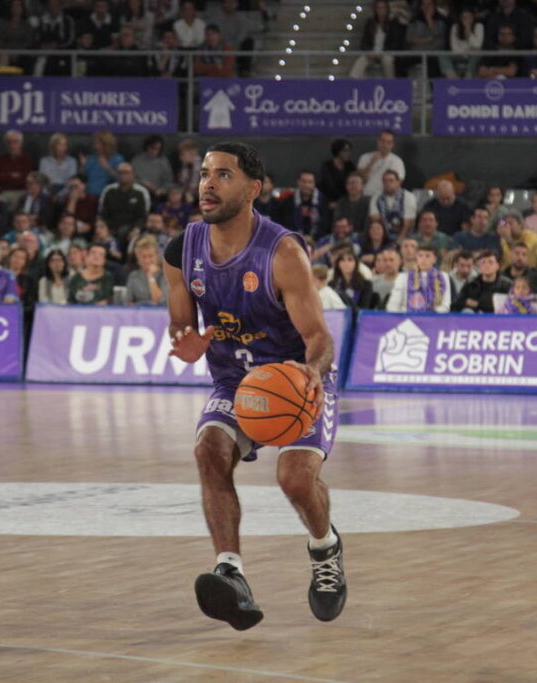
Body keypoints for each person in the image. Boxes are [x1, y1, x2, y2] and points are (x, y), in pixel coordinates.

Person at [164, 141, 346, 631]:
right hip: (234, 380)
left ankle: (325, 546)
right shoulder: (182, 249)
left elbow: (320, 339)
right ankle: (231, 570)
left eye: (223, 175)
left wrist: (312, 372)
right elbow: (180, 325)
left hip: (295, 377)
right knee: (208, 449)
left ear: (252, 189)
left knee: (294, 479)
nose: (207, 183)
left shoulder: (283, 252)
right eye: (204, 173)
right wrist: (187, 342)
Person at [385, 245, 451, 313]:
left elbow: (445, 305)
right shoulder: (403, 277)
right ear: (416, 258)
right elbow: (393, 304)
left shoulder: (443, 277)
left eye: (427, 256)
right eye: (420, 256)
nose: (423, 259)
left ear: (434, 259)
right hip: (406, 318)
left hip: (434, 319)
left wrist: (430, 316)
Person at [349, 0, 402, 78]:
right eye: (379, 8)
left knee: (388, 61)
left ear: (387, 9)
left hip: (385, 53)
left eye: (383, 8)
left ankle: (391, 84)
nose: (381, 11)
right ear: (375, 10)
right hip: (372, 53)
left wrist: (383, 53)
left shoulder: (393, 23)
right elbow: (364, 42)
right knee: (360, 61)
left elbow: (395, 43)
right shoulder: (370, 23)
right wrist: (369, 51)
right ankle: (354, 83)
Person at [277, 170, 328, 237]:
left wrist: (313, 238)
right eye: (303, 182)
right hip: (294, 239)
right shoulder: (289, 201)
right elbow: (286, 223)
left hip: (318, 240)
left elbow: (325, 224)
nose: (306, 185)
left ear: (314, 184)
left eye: (310, 182)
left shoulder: (322, 200)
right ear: (298, 182)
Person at [357, 130, 405, 198]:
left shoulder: (397, 161)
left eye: (389, 142)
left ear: (393, 145)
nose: (385, 145)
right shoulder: (365, 157)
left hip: (385, 197)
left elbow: (397, 183)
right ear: (378, 141)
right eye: (383, 141)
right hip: (366, 196)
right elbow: (359, 180)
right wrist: (372, 162)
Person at [369, 170, 416, 237]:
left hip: (404, 236)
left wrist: (398, 242)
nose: (388, 183)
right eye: (385, 181)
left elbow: (408, 224)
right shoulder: (376, 197)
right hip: (383, 237)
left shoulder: (408, 196)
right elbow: (375, 219)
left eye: (391, 180)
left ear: (398, 182)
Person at [330, 245, 377, 310]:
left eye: (350, 260)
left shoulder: (366, 284)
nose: (346, 263)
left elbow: (363, 309)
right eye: (342, 260)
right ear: (338, 264)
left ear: (356, 263)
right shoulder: (332, 285)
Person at [126, 234, 168, 305]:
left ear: (157, 256)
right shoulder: (133, 275)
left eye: (150, 256)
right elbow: (128, 302)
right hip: (137, 314)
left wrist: (150, 277)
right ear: (138, 259)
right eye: (143, 257)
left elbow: (160, 300)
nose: (147, 260)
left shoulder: (165, 275)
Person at [131, 135, 175, 201]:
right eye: (153, 148)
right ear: (147, 146)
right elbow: (130, 178)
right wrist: (143, 183)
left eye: (158, 149)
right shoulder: (137, 160)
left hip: (157, 194)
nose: (155, 151)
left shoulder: (164, 162)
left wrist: (161, 190)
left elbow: (168, 182)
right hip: (138, 193)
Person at [0, 129, 34, 194]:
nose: (12, 145)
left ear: (21, 143)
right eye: (9, 142)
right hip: (4, 192)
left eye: (15, 142)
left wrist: (6, 177)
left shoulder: (26, 160)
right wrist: (11, 175)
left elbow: (28, 179)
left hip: (22, 192)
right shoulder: (1, 160)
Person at [318, 139, 355, 207]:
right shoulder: (327, 166)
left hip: (347, 200)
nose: (348, 153)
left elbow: (352, 182)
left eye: (349, 151)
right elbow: (328, 186)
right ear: (337, 151)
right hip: (329, 200)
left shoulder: (350, 166)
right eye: (345, 151)